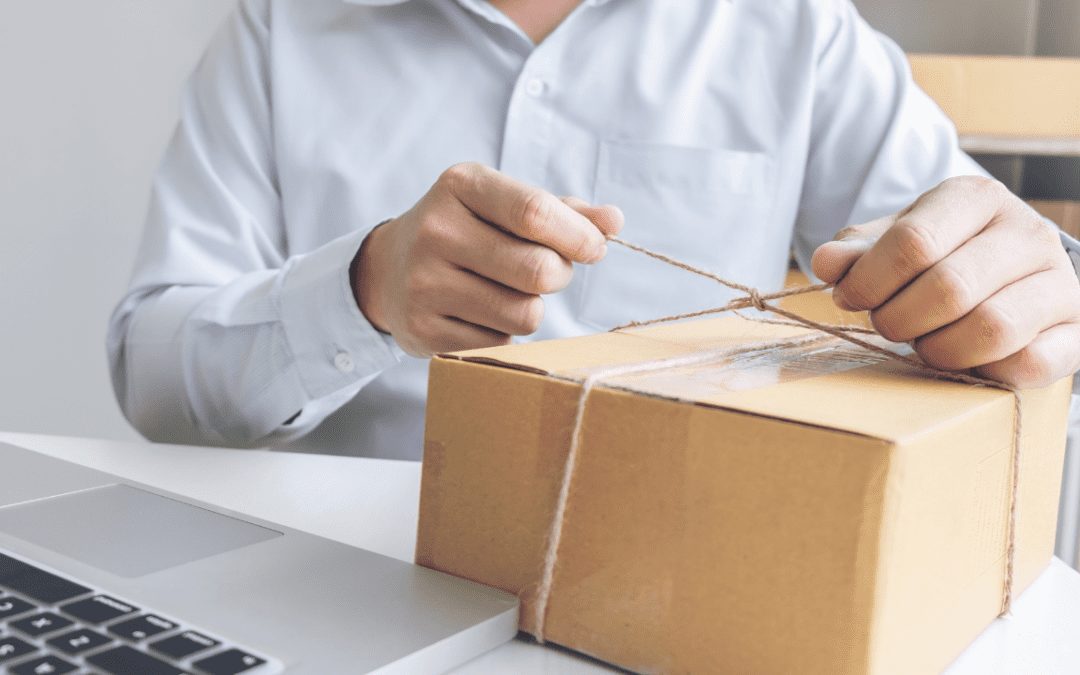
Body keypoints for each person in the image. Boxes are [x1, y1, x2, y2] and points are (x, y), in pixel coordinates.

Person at [107, 0, 1080, 459]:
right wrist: (365, 293)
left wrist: (1017, 291)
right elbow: (153, 374)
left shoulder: (793, 29)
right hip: (342, 587)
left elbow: (1000, 268)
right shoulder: (282, 30)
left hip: (689, 579)